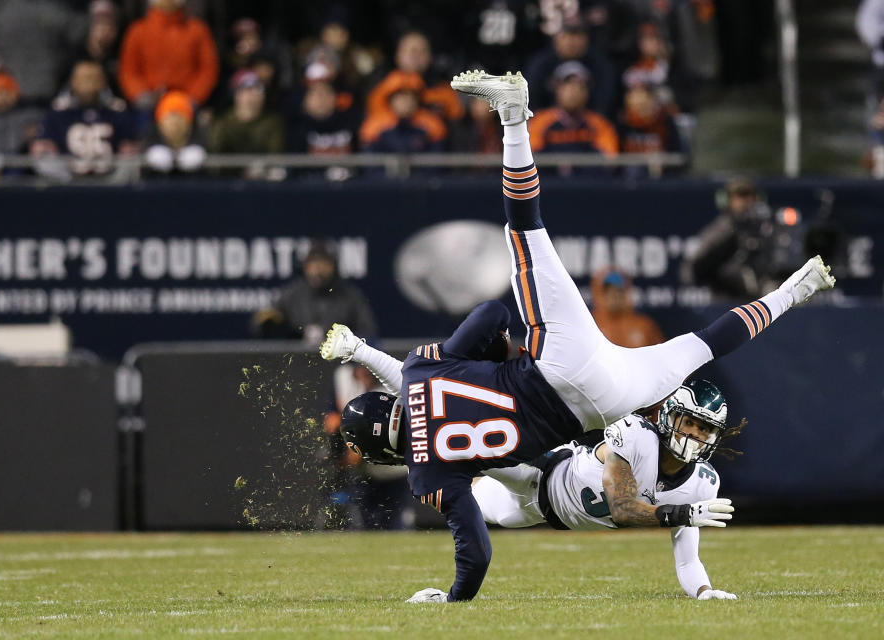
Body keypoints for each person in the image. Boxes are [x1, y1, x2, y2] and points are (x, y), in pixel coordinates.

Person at [322, 69, 834, 603]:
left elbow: (475, 548)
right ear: (388, 400)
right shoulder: (421, 372)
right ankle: (515, 119)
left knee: (695, 348)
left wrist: (454, 599)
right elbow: (488, 316)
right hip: (556, 368)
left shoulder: (427, 474)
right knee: (528, 232)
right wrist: (501, 356)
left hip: (600, 406)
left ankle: (791, 295)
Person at [472, 378, 742, 600]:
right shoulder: (638, 436)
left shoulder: (703, 484)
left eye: (704, 428)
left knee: (458, 500)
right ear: (669, 417)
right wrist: (683, 514)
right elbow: (622, 508)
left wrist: (704, 591)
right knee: (458, 455)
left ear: (713, 437)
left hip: (541, 514)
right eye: (689, 422)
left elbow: (687, 561)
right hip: (539, 471)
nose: (694, 434)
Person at [253, 241, 377, 346]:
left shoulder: (350, 296)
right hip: (295, 363)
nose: (317, 269)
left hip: (339, 363)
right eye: (313, 264)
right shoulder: (291, 294)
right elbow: (263, 328)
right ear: (305, 267)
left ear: (333, 266)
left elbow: (367, 332)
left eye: (323, 264)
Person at [33, 60, 136, 179]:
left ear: (103, 82)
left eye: (94, 79)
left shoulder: (117, 111)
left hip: (111, 185)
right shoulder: (58, 112)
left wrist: (114, 184)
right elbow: (43, 154)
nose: (89, 85)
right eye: (83, 79)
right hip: (67, 186)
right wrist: (67, 183)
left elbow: (130, 154)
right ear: (73, 82)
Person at [118, 0, 219, 111]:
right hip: (148, 102)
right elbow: (128, 71)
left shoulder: (197, 30)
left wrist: (194, 97)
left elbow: (208, 69)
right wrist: (140, 95)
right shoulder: (138, 31)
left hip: (185, 103)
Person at [528, 62, 618, 175]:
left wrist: (573, 168)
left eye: (580, 87)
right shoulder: (540, 121)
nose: (573, 91)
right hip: (547, 187)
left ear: (587, 92)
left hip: (588, 186)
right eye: (567, 86)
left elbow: (609, 162)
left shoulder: (600, 123)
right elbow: (529, 160)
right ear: (556, 89)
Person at [359, 71, 446, 154]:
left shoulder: (432, 124)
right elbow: (371, 163)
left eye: (410, 97)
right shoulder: (374, 125)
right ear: (390, 100)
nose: (406, 102)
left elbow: (435, 161)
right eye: (400, 97)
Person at [209, 69, 285, 155]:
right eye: (246, 89)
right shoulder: (223, 123)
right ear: (236, 94)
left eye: (258, 89)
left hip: (262, 167)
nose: (253, 95)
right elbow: (216, 153)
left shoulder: (273, 122)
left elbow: (275, 155)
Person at [590, 267, 664, 348]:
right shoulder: (591, 326)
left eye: (619, 291)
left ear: (626, 293)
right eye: (609, 291)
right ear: (600, 294)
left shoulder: (644, 326)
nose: (614, 295)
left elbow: (661, 357)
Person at [142, 90, 207, 176]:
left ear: (189, 124)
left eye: (180, 118)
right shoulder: (149, 144)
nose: (175, 124)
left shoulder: (199, 146)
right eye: (169, 118)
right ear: (159, 124)